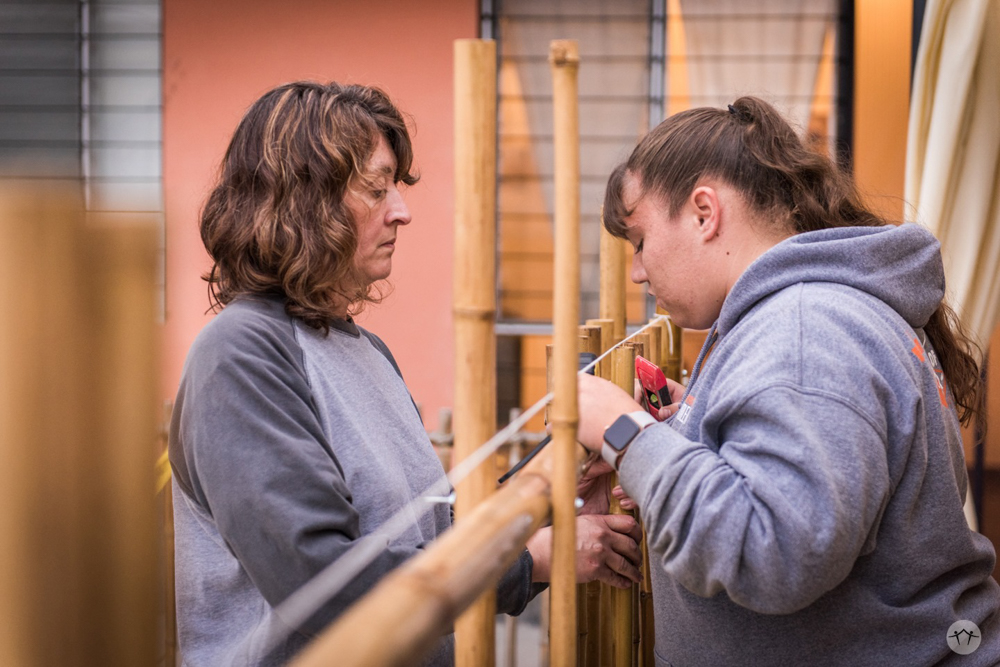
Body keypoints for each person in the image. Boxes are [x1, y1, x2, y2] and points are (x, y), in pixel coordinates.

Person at [168, 81, 642, 667]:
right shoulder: (242, 354)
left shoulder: (366, 350)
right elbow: (323, 583)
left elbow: (427, 540)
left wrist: (549, 499)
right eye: (375, 188)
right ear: (300, 204)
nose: (402, 209)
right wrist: (535, 560)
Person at [576, 96, 1000, 666]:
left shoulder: (804, 331)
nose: (636, 272)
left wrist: (625, 432)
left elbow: (772, 553)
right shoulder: (809, 318)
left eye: (640, 241)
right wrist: (690, 428)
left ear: (704, 212)